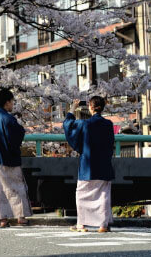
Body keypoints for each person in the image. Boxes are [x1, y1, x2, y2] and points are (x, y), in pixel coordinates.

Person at [63, 96, 115, 233]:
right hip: (104, 164)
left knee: (82, 194)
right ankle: (103, 225)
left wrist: (72, 109)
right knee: (103, 194)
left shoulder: (84, 124)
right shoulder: (109, 124)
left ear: (90, 107)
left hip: (88, 164)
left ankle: (82, 224)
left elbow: (68, 126)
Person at [0, 88, 32, 227]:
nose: (13, 104)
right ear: (7, 103)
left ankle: (3, 219)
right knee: (16, 187)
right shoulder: (9, 119)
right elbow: (17, 135)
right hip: (9, 158)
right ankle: (20, 217)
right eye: (12, 102)